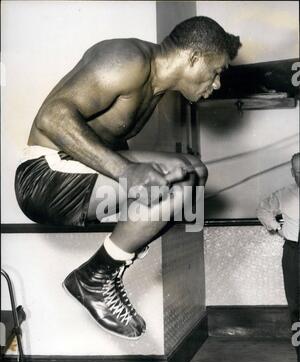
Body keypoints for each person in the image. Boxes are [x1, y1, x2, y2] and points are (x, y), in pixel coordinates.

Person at [15, 16, 241, 340]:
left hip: (78, 172)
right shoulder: (126, 59)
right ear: (194, 57)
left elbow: (106, 140)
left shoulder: (154, 87)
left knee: (193, 171)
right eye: (216, 71)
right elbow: (52, 117)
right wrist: (126, 172)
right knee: (183, 182)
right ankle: (96, 276)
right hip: (43, 178)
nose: (217, 83)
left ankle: (100, 271)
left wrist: (139, 186)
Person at [257, 153, 300, 362]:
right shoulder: (283, 194)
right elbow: (263, 210)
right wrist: (277, 228)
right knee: (296, 310)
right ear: (293, 172)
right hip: (294, 254)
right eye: (298, 172)